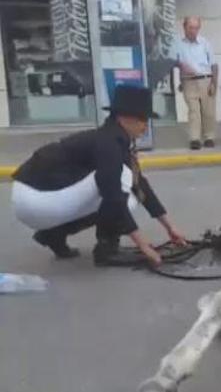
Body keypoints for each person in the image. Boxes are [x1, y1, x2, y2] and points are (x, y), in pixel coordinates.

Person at [10, 85, 187, 267]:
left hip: (32, 199)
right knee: (121, 186)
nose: (145, 126)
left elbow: (141, 184)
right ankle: (107, 250)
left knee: (122, 186)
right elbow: (112, 193)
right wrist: (143, 245)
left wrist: (170, 227)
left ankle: (54, 234)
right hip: (36, 199)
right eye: (143, 119)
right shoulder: (109, 144)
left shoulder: (112, 138)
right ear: (124, 117)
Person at [174, 16, 218, 151]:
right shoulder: (178, 44)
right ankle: (195, 138)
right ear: (184, 27)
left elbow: (214, 65)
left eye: (196, 28)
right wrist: (180, 66)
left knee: (208, 111)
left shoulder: (205, 43)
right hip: (188, 81)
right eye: (190, 28)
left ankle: (209, 136)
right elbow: (171, 61)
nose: (193, 31)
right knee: (194, 111)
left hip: (205, 78)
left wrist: (214, 83)